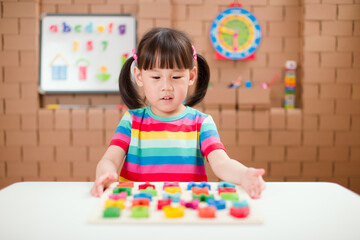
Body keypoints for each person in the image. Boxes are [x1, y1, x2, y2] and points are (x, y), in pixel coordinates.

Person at [91, 28, 265, 199]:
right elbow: (110, 160)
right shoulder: (132, 121)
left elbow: (222, 163)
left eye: (175, 77)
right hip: (139, 207)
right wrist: (106, 174)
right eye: (156, 77)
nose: (166, 86)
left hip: (186, 208)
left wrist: (243, 175)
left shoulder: (201, 123)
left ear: (191, 76)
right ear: (139, 76)